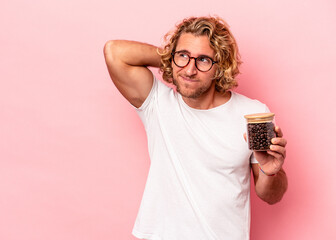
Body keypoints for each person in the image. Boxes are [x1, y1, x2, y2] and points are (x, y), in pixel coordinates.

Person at [104, 16, 288, 240]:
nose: (190, 70)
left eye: (203, 60)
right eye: (183, 55)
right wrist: (176, 60)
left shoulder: (254, 114)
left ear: (221, 65)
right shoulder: (157, 103)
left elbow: (272, 196)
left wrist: (271, 171)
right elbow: (114, 51)